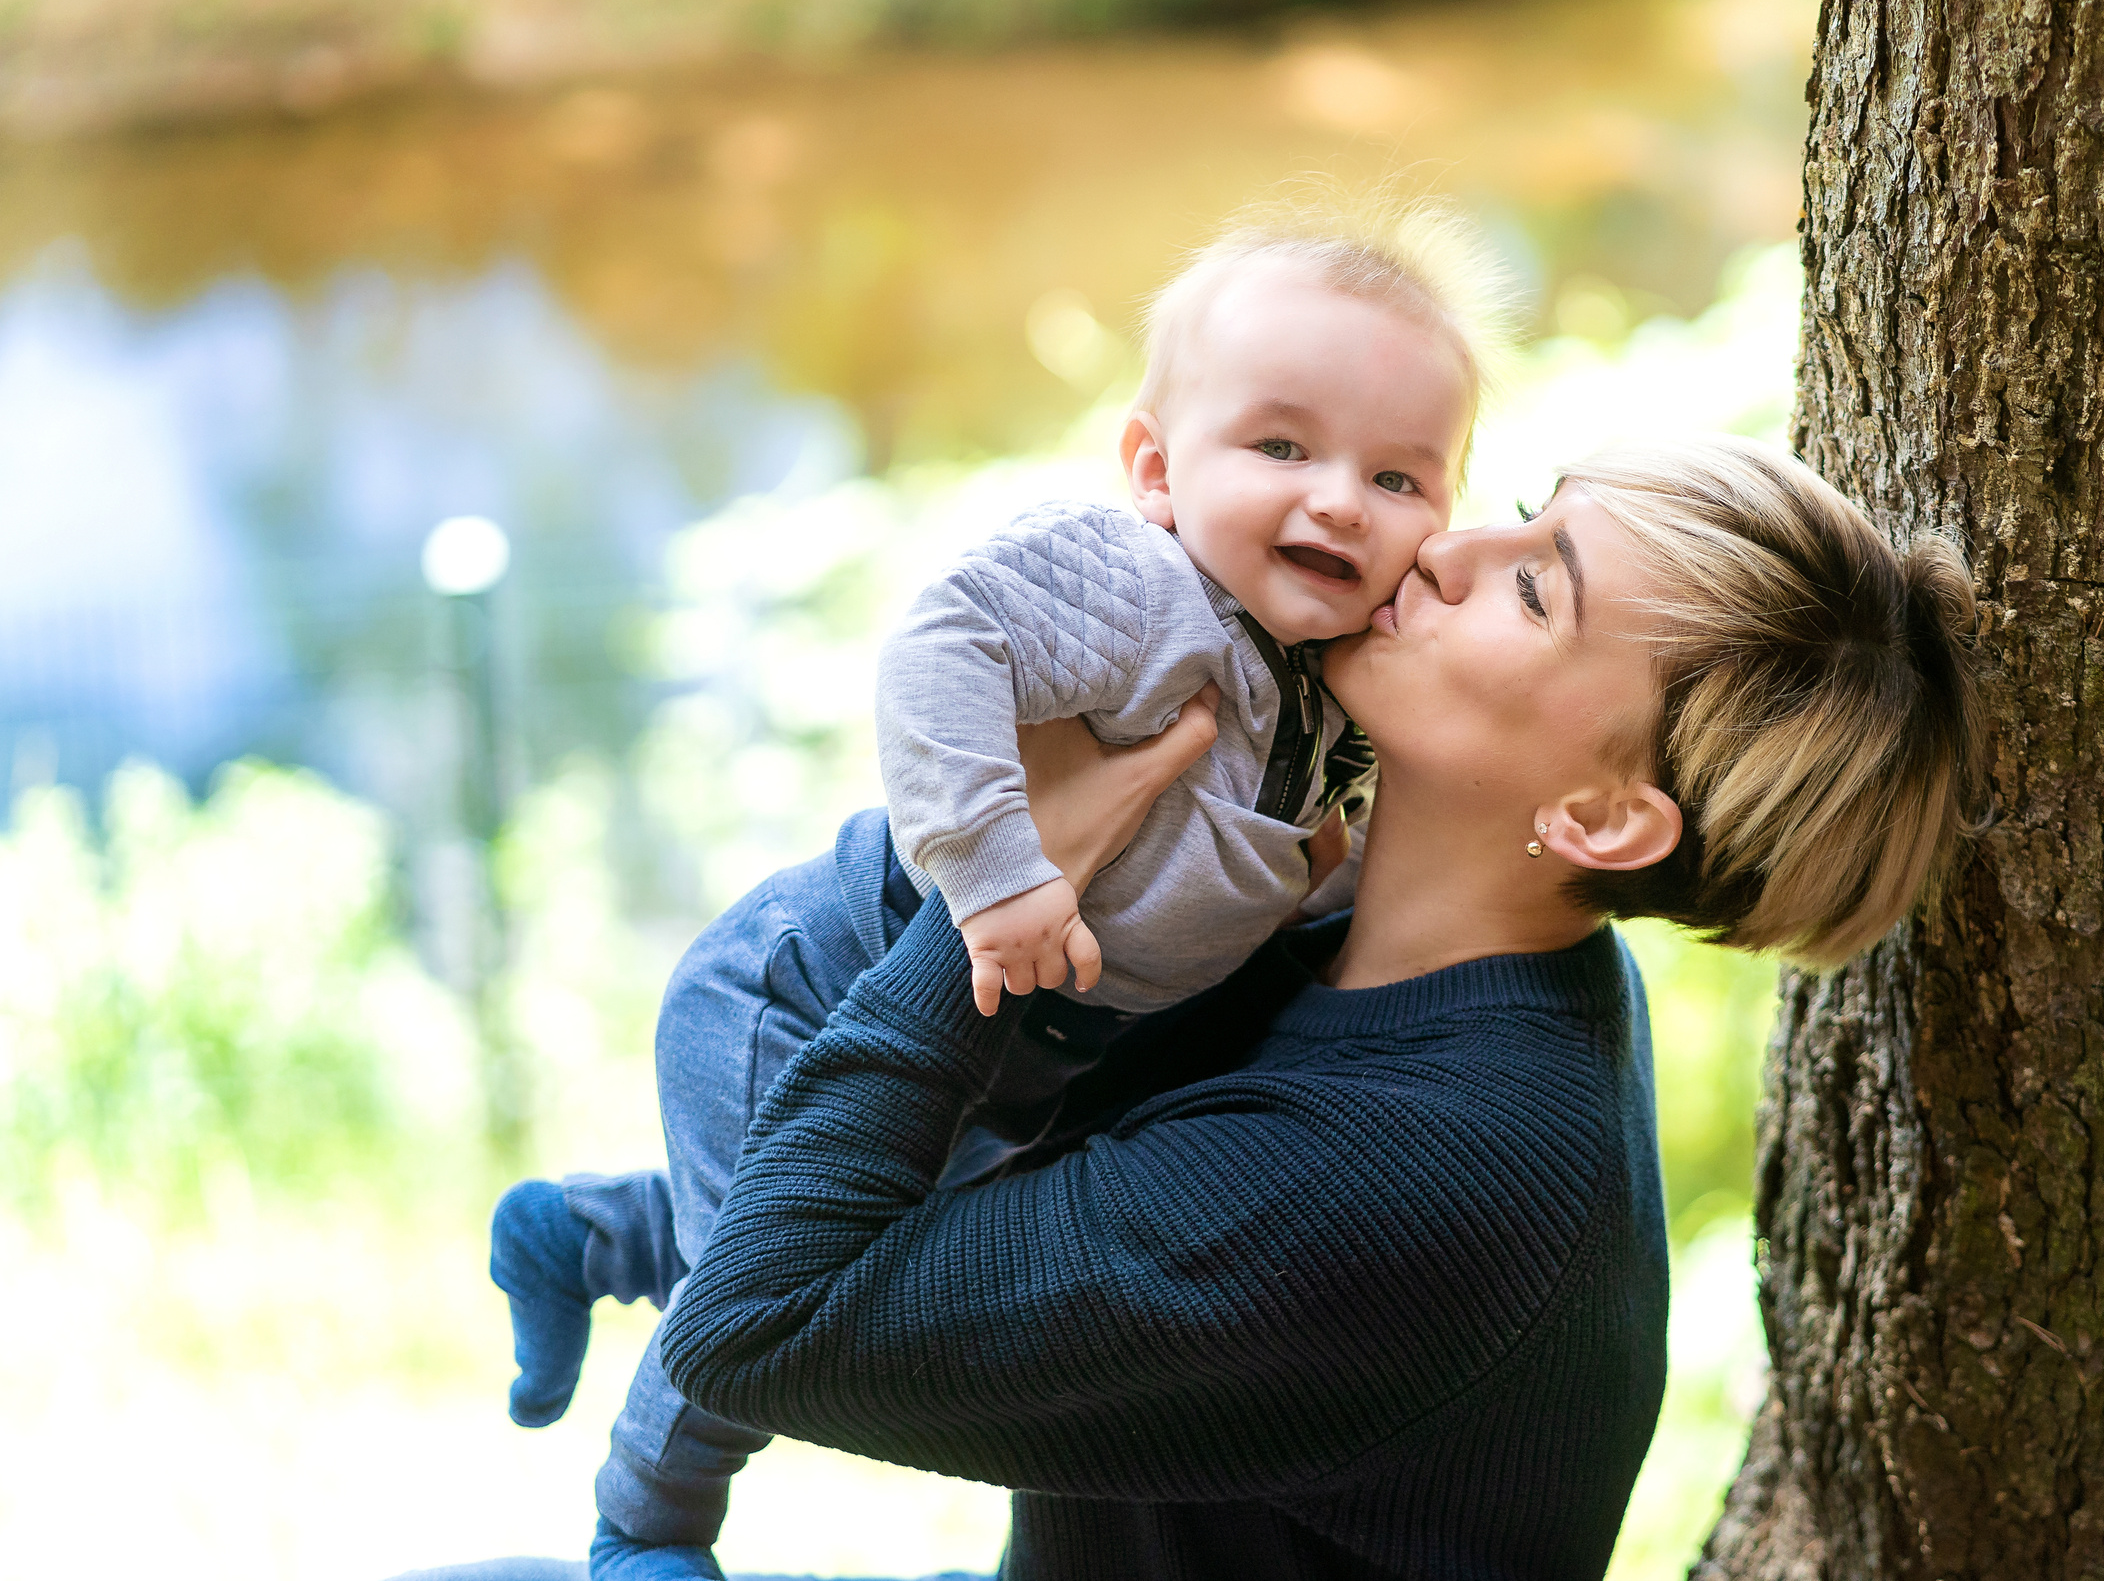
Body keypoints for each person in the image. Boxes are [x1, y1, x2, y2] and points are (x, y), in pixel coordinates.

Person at [406, 435, 1984, 1581]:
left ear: (1602, 819)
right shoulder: (1403, 929)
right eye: (1518, 518)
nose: (1443, 549)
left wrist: (1010, 885)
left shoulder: (1421, 1172)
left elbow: (764, 1333)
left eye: (1534, 595)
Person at [486, 192, 1518, 1579]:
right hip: (819, 992)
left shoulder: (1330, 683)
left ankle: (584, 1234)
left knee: (857, 1247)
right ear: (1155, 466)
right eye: (1281, 445)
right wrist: (999, 874)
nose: (1339, 497)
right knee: (766, 1286)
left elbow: (1271, 848)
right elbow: (943, 644)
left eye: (1399, 479)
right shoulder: (1137, 588)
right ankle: (645, 1527)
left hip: (1010, 1055)